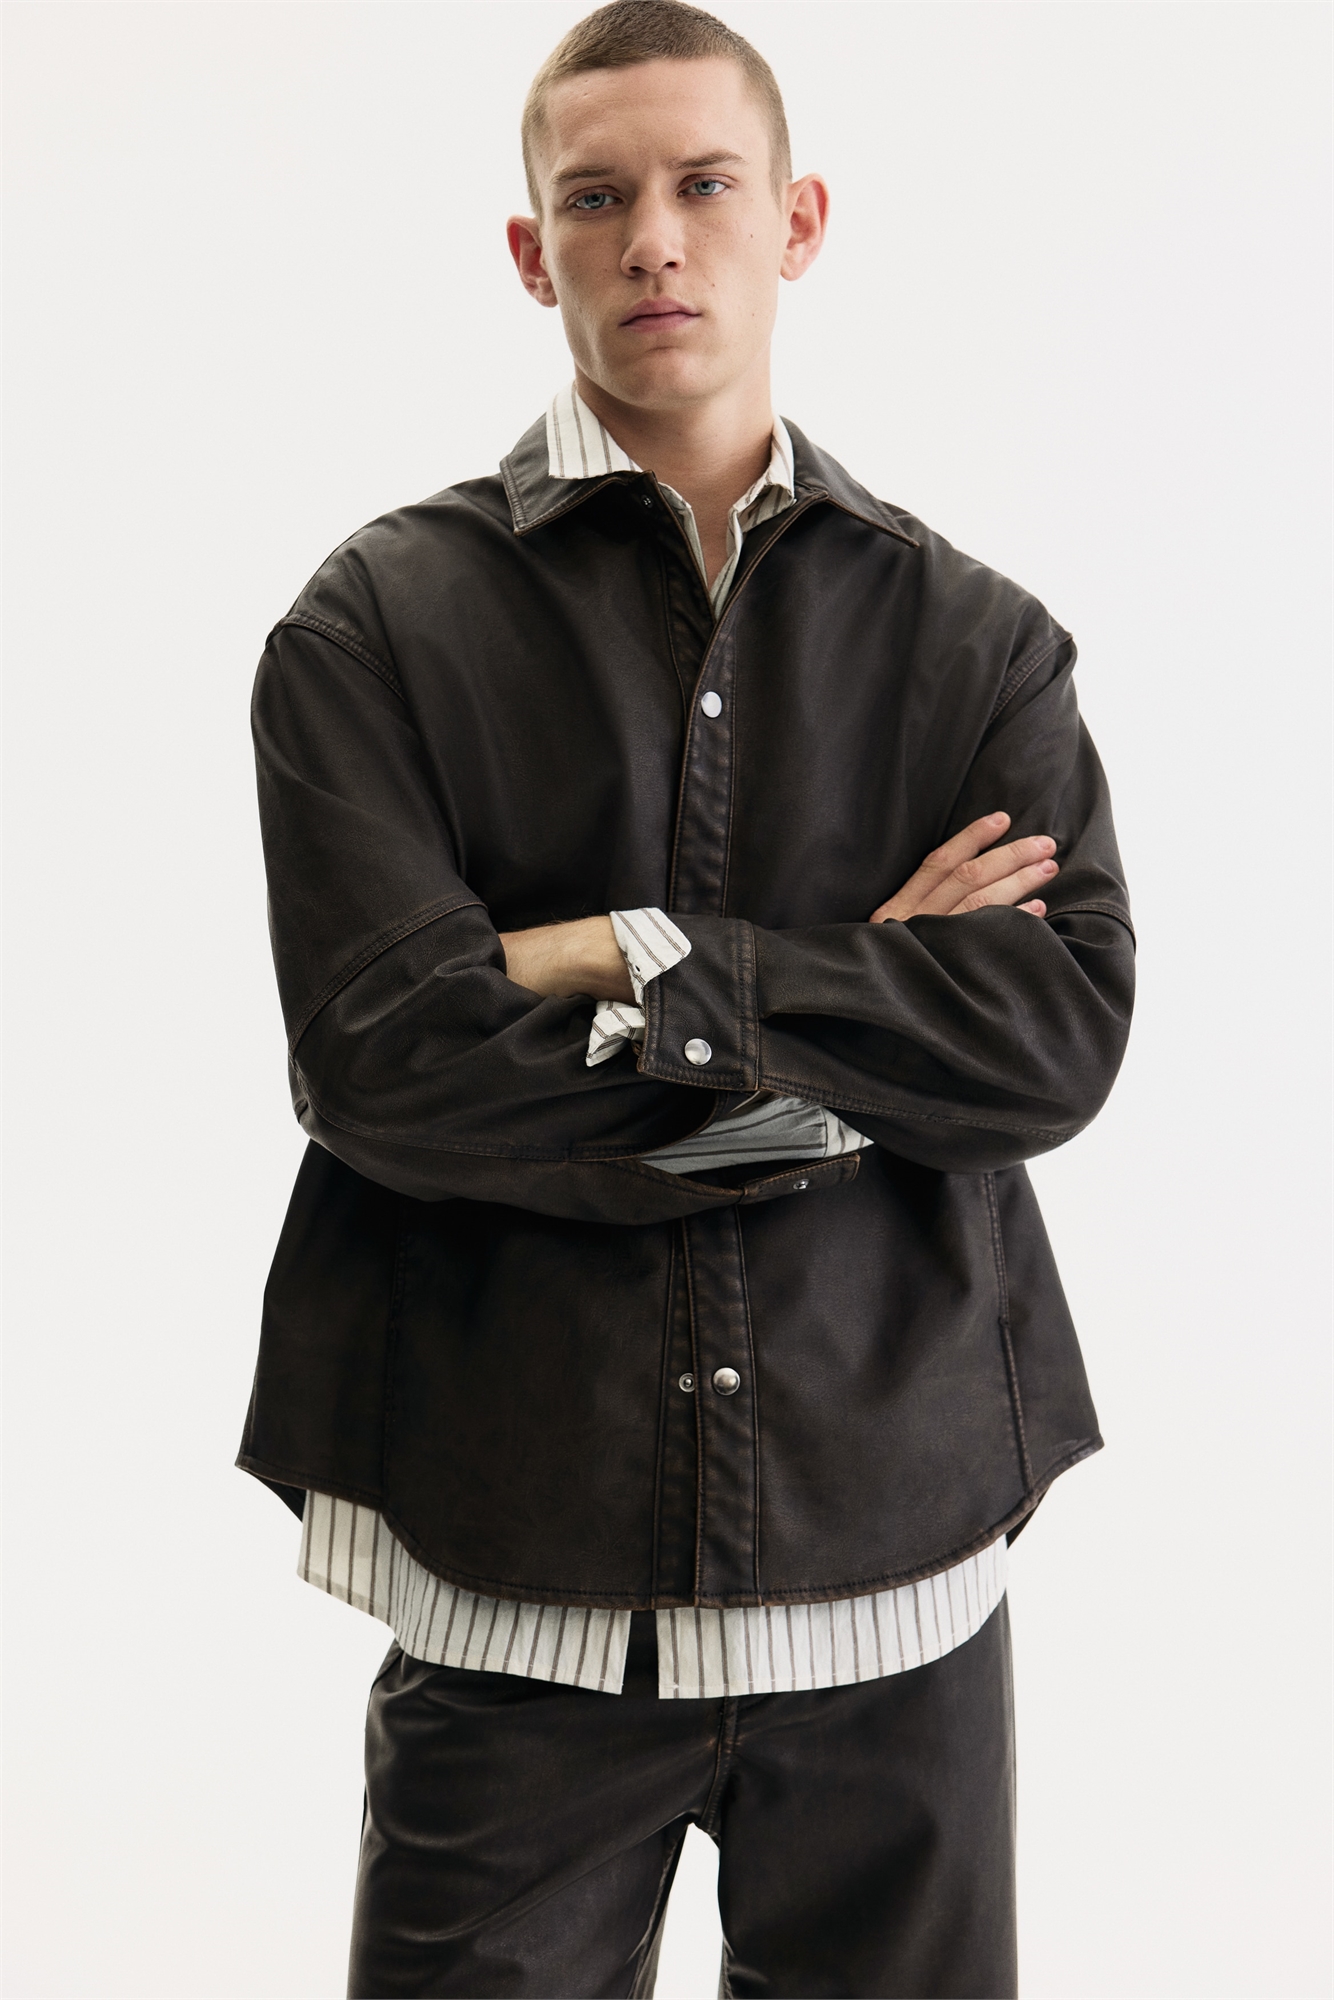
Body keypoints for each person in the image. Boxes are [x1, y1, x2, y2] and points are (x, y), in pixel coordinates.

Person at [238, 3, 1134, 1993]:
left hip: (895, 1572)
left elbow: (1049, 1041)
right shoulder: (372, 627)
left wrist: (622, 955)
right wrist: (857, 1023)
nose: (652, 237)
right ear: (528, 249)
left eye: (704, 184)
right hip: (513, 1571)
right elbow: (384, 1065)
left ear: (794, 219)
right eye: (595, 198)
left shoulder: (975, 642)